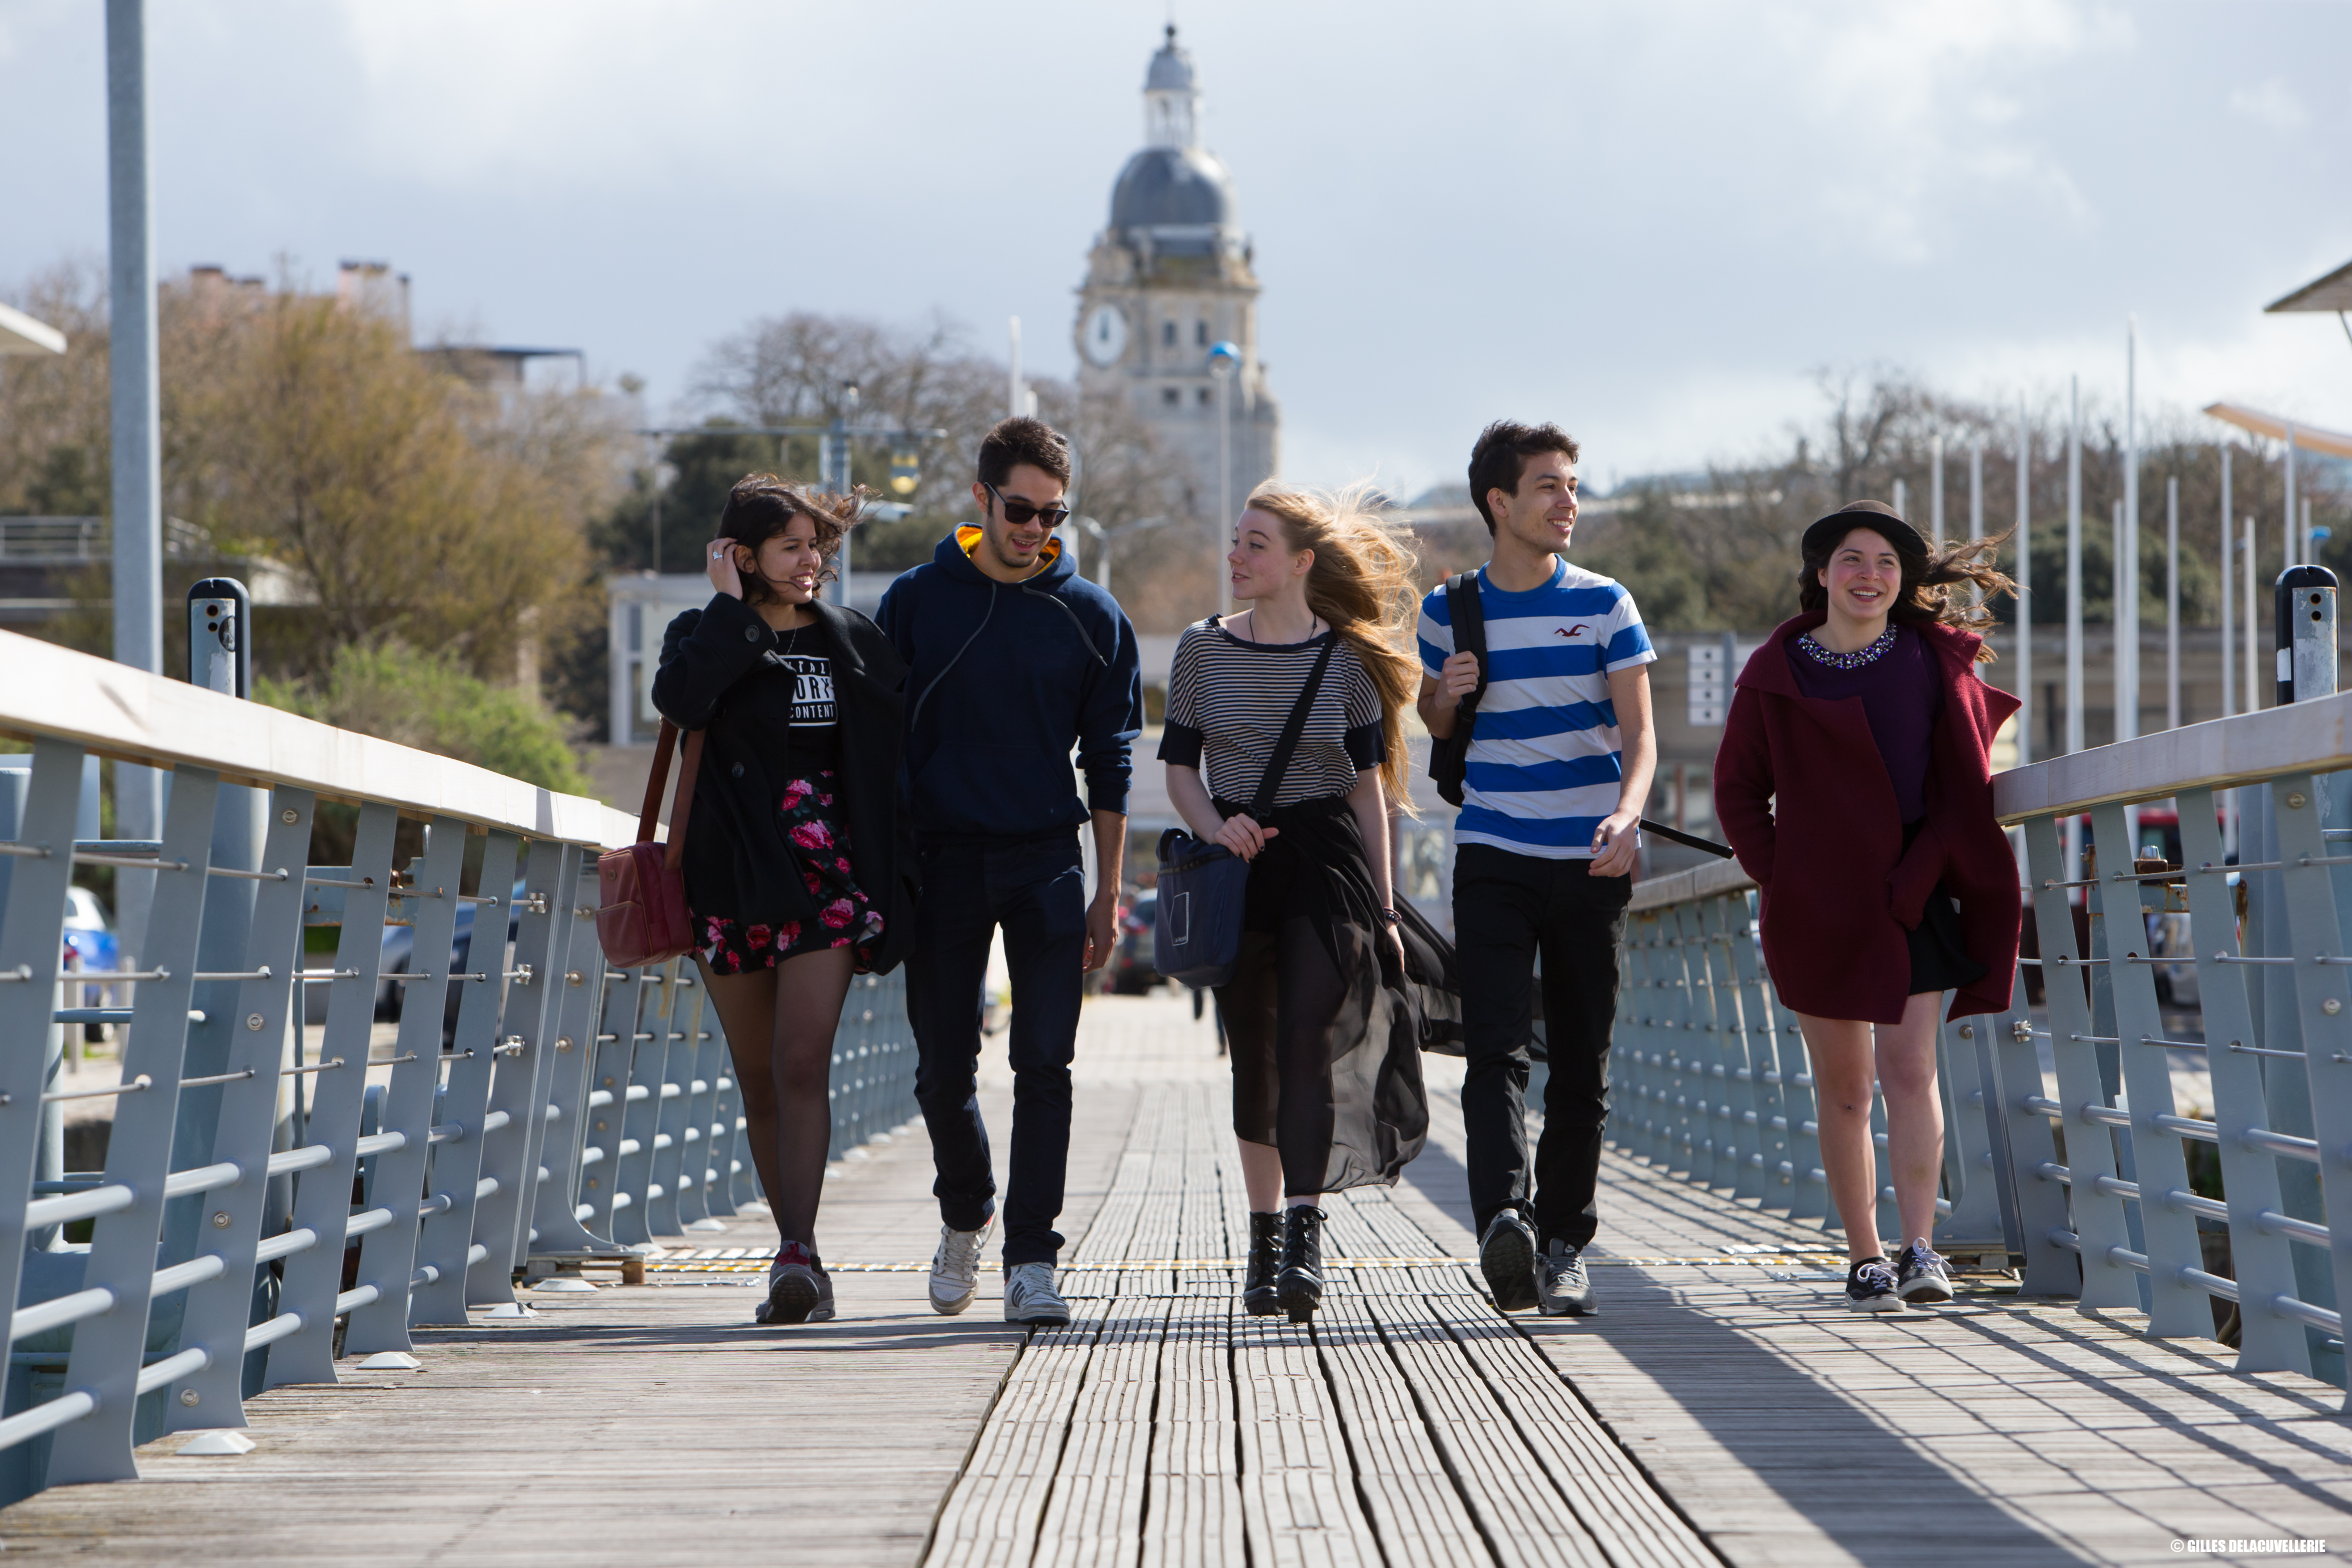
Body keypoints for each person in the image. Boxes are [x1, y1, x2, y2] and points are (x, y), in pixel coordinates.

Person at [1714, 500, 2020, 1312]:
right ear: (1820, 573)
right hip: (1813, 903)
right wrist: (1782, 876)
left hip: (1910, 890)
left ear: (1902, 581)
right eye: (1852, 559)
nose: (1869, 576)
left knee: (1909, 1070)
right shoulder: (1775, 667)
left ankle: (1922, 1249)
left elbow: (1963, 788)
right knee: (1844, 1087)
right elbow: (1738, 791)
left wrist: (1920, 874)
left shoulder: (1928, 660)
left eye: (1886, 564)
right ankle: (1864, 1257)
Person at [877, 417, 1142, 1327]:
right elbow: (881, 746)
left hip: (1044, 864)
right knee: (941, 1072)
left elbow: (1111, 763)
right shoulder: (915, 601)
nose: (1035, 529)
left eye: (1053, 513)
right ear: (981, 498)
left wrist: (1108, 890)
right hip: (940, 863)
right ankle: (966, 1213)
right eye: (1021, 509)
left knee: (1046, 1064)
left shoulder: (1091, 614)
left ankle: (1033, 1259)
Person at [1162, 484, 1431, 1322]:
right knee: (1257, 1057)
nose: (1236, 557)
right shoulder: (1201, 651)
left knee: (1307, 1040)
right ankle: (1263, 1234)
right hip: (1239, 871)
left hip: (1327, 868)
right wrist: (1216, 825)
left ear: (1300, 563)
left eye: (1254, 545)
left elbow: (1366, 795)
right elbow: (1178, 768)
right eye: (1236, 541)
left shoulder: (1348, 662)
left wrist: (1385, 912)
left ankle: (1307, 1235)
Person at [651, 475, 915, 1326]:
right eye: (791, 548)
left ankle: (797, 1255)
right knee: (757, 1077)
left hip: (828, 876)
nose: (810, 564)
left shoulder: (854, 640)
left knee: (802, 1062)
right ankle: (792, 1245)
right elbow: (681, 703)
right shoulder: (701, 634)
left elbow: (888, 764)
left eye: (817, 547)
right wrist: (729, 611)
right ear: (742, 554)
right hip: (732, 878)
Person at [1417, 421, 1656, 1317]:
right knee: (1494, 1053)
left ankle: (1563, 1241)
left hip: (1590, 859)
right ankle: (1501, 1226)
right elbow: (1432, 719)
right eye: (1549, 486)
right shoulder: (1449, 609)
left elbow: (1639, 738)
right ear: (1499, 503)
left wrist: (1628, 816)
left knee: (1583, 1067)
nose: (1567, 503)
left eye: (1571, 485)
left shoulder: (1604, 604)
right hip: (1492, 851)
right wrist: (1448, 692)